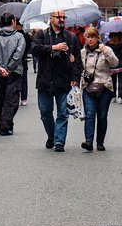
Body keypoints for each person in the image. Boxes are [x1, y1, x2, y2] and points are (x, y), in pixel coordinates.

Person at [31, 10, 83, 152]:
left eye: (63, 17)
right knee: (45, 113)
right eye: (58, 17)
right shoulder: (41, 35)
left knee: (62, 114)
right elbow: (34, 49)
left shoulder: (71, 37)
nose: (61, 19)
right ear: (51, 18)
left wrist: (75, 77)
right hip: (45, 80)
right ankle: (52, 136)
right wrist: (53, 48)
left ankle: (59, 142)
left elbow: (78, 60)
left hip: (64, 80)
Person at [0, 13, 26, 135]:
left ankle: (7, 124)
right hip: (14, 72)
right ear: (13, 21)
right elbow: (18, 54)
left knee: (3, 98)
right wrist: (9, 68)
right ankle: (5, 125)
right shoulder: (19, 37)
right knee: (12, 99)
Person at [80, 27, 119, 152]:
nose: (90, 39)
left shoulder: (106, 49)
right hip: (88, 87)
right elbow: (78, 68)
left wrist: (106, 52)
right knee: (90, 114)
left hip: (104, 87)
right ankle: (89, 142)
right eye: (88, 37)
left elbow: (115, 63)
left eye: (93, 37)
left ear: (98, 37)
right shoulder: (82, 53)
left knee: (102, 116)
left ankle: (100, 142)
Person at [106, 31, 122, 104]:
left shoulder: (108, 44)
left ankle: (113, 96)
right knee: (121, 82)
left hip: (112, 65)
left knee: (113, 82)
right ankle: (120, 97)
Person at [15, 21, 32, 106]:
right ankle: (24, 99)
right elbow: (29, 47)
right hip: (24, 59)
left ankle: (16, 98)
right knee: (24, 79)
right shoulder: (26, 36)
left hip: (15, 60)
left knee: (15, 79)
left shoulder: (14, 36)